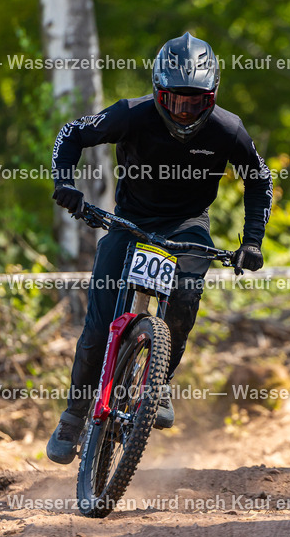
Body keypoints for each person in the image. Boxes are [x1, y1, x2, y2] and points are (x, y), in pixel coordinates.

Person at [46, 32, 273, 464]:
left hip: (187, 227)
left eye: (195, 103)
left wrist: (253, 242)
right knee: (96, 330)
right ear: (156, 91)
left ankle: (158, 382)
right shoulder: (131, 115)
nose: (183, 112)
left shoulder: (229, 129)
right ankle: (74, 416)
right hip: (129, 223)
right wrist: (66, 184)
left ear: (212, 98)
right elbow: (72, 134)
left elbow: (259, 179)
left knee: (185, 299)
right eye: (174, 101)